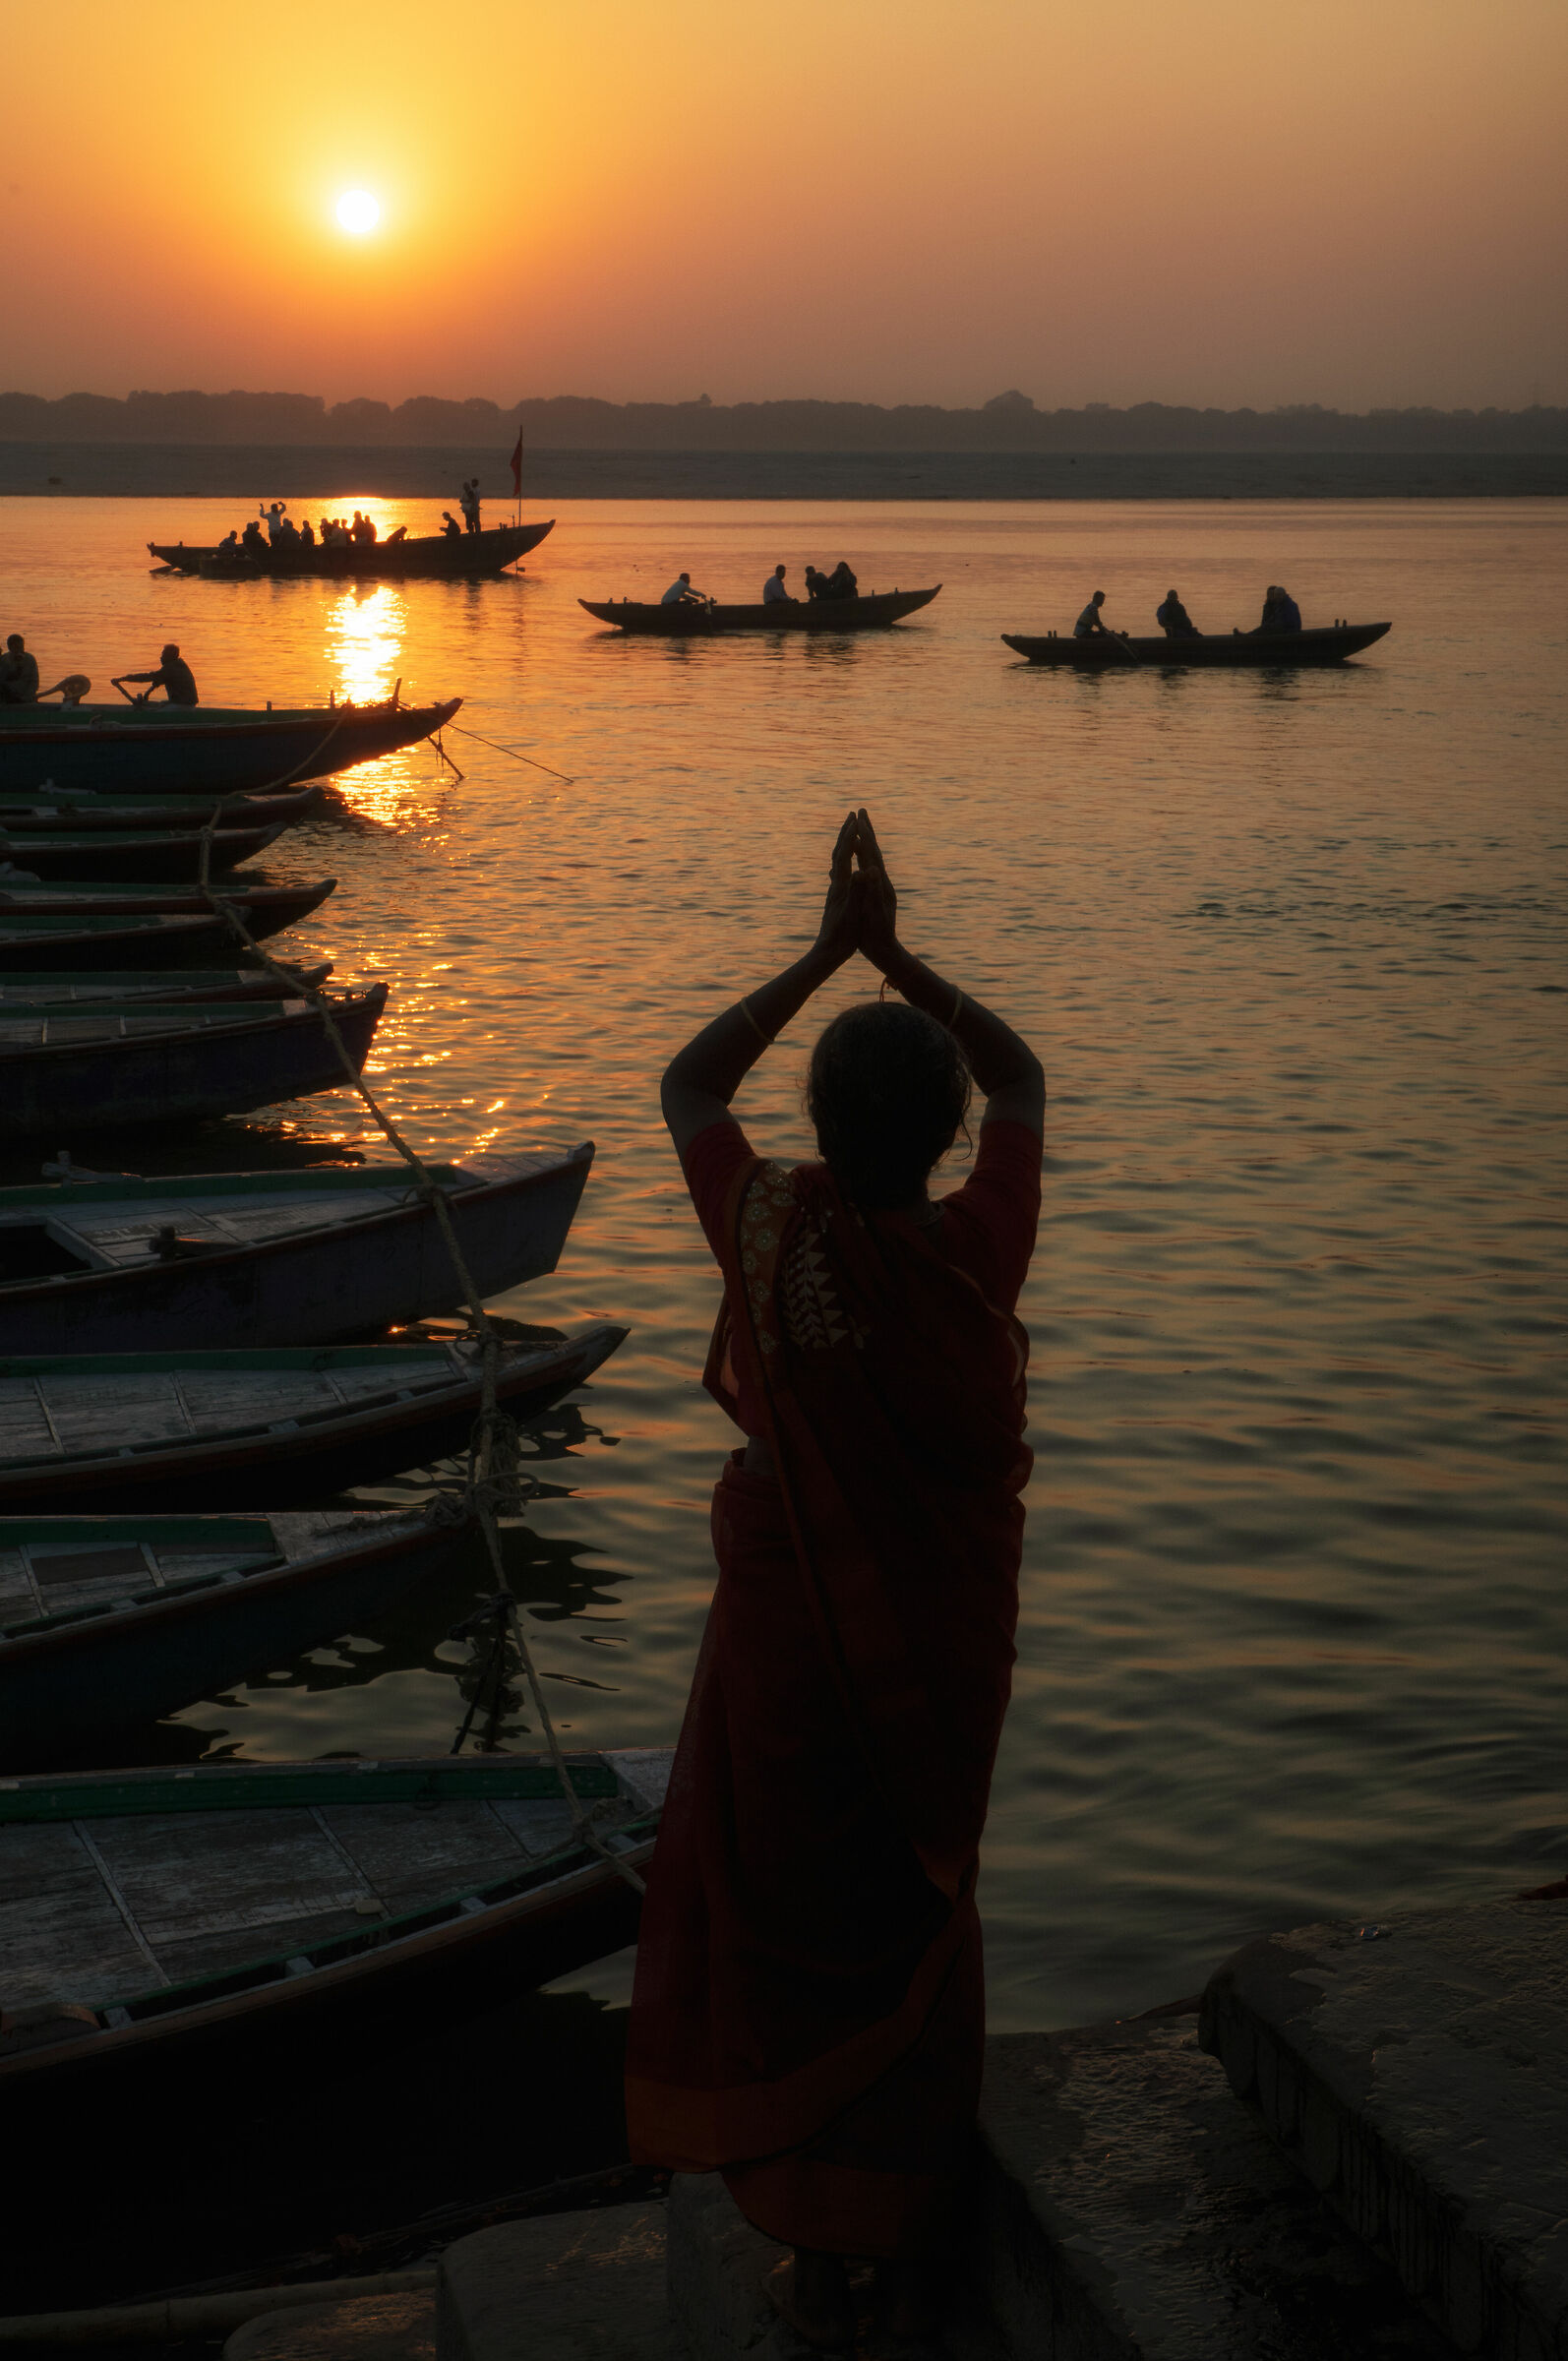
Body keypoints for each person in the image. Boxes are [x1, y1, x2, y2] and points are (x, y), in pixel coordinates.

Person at [628, 810, 1044, 2358]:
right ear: (939, 1138)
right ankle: (901, 2216)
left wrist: (821, 950)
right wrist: (897, 958)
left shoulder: (771, 1232)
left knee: (795, 1905)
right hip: (931, 1647)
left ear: (817, 1127)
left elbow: (684, 1086)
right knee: (909, 1895)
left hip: (792, 1650)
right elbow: (1024, 1077)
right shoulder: (973, 1254)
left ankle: (813, 2247)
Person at [112, 643, 199, 706]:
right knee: (159, 704)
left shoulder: (171, 668)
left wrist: (122, 679)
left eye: (163, 655)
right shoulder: (179, 665)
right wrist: (147, 694)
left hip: (181, 705)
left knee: (154, 711)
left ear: (170, 656)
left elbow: (146, 677)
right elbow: (158, 681)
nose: (161, 657)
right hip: (186, 704)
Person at [2, 635, 40, 701]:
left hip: (27, 697)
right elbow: (1, 681)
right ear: (9, 647)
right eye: (17, 647)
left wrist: (26, 697)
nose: (20, 650)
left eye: (22, 647)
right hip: (8, 697)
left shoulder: (30, 659)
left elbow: (34, 681)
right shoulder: (4, 659)